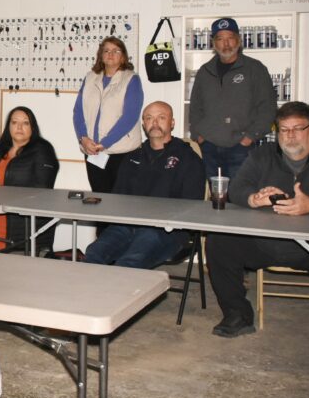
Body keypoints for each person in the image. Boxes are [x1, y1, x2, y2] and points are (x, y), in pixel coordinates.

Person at [206, 101, 309, 338]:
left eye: (297, 128)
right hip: (266, 241)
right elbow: (237, 188)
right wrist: (253, 199)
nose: (290, 136)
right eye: (284, 130)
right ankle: (237, 314)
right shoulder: (264, 154)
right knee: (219, 240)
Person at [83, 102, 205, 268]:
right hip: (127, 226)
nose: (154, 123)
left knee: (129, 263)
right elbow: (118, 198)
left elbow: (193, 205)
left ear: (172, 123)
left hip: (166, 230)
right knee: (93, 254)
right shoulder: (132, 157)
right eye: (149, 118)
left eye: (161, 117)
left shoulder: (188, 158)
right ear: (143, 124)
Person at [189, 17, 277, 181]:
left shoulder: (254, 69)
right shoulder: (205, 71)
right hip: (209, 147)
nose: (226, 44)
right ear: (214, 43)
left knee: (241, 193)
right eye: (220, 39)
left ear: (239, 40)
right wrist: (198, 136)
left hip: (242, 148)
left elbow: (268, 108)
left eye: (230, 38)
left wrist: (250, 137)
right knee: (214, 194)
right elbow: (195, 108)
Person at [0, 107, 59, 253]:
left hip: (16, 211)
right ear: (9, 126)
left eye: (25, 123)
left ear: (32, 127)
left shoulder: (42, 149)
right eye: (14, 122)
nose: (19, 127)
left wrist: (3, 198)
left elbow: (43, 189)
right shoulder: (0, 149)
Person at [72, 36, 144, 193]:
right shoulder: (90, 78)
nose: (110, 54)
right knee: (100, 198)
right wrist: (83, 138)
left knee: (121, 201)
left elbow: (130, 117)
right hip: (93, 151)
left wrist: (105, 143)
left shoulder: (131, 79)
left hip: (123, 152)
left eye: (116, 51)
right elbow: (78, 111)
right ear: (101, 55)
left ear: (123, 57)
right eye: (106, 50)